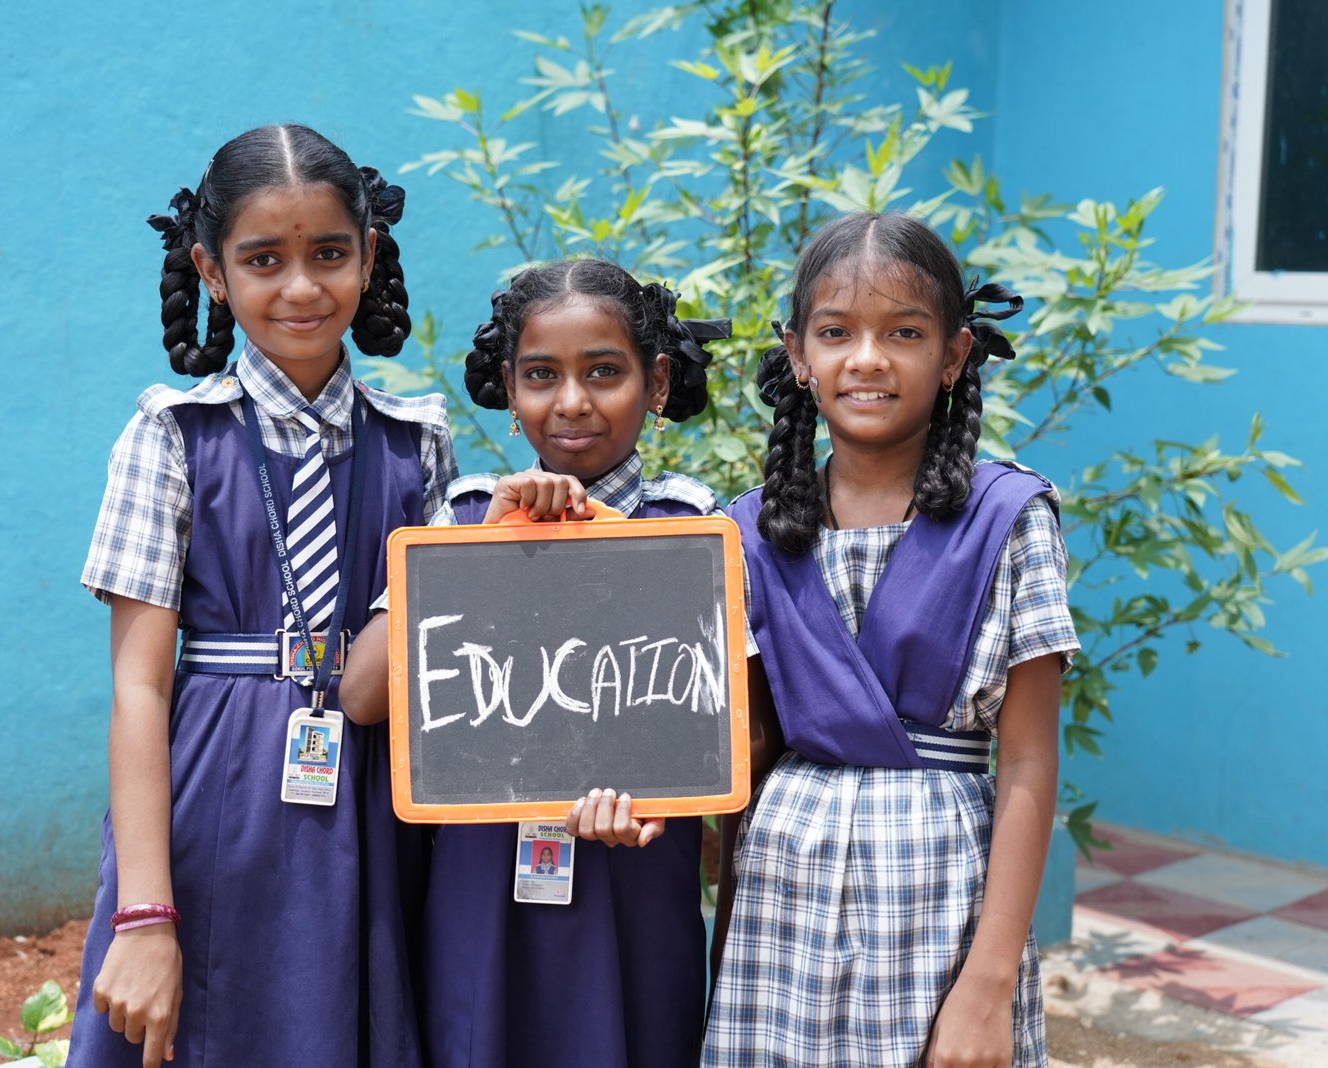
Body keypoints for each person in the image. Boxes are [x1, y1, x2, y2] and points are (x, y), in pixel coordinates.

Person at [69, 123, 456, 1068]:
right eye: (262, 259)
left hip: (372, 796)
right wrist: (147, 913)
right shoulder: (171, 439)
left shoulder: (418, 445)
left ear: (369, 257)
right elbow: (139, 689)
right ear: (210, 270)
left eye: (329, 253)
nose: (300, 287)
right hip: (217, 796)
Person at [703, 212, 1078, 1067]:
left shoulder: (1006, 518)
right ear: (798, 355)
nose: (866, 359)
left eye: (903, 333)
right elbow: (741, 744)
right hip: (782, 902)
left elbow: (1027, 762)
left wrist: (986, 986)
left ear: (952, 356)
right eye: (836, 333)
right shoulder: (749, 532)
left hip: (940, 899)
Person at [339, 258, 730, 1068]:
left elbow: (738, 730)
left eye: (605, 372)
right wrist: (489, 546)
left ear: (656, 383)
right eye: (542, 376)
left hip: (636, 876)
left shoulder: (689, 527)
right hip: (484, 880)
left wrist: (666, 802)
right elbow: (364, 693)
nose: (573, 402)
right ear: (510, 394)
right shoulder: (468, 513)